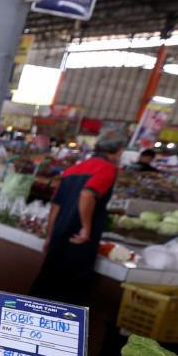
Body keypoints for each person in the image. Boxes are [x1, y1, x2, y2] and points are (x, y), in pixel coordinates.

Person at [29, 131, 124, 305]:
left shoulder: (72, 169)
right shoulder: (107, 169)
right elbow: (87, 195)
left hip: (60, 235)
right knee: (68, 294)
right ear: (118, 151)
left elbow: (56, 206)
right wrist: (86, 228)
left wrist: (50, 235)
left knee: (46, 286)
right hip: (78, 240)